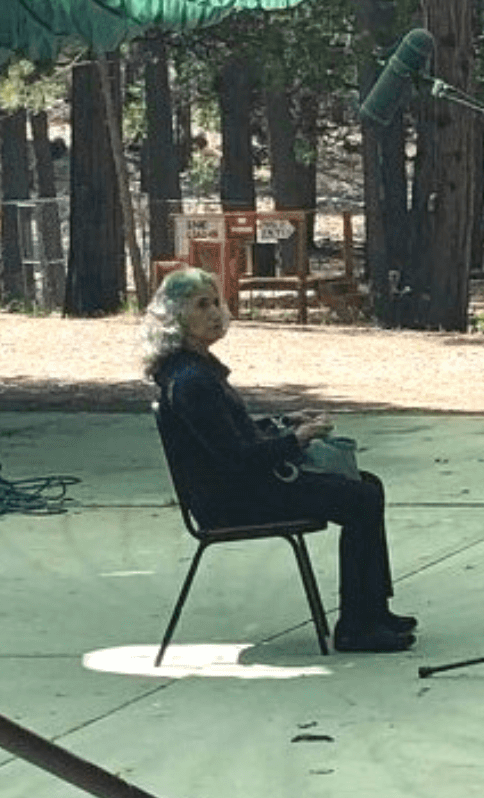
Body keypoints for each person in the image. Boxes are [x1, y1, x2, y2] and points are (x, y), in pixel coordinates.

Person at [141, 267, 417, 653]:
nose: (214, 312)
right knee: (361, 498)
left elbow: (230, 433)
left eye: (216, 301)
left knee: (366, 486)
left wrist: (285, 422)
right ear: (176, 316)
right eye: (200, 305)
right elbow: (238, 457)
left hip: (239, 489)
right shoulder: (193, 382)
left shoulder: (194, 370)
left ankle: (372, 609)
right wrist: (295, 440)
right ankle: (357, 627)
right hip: (233, 502)